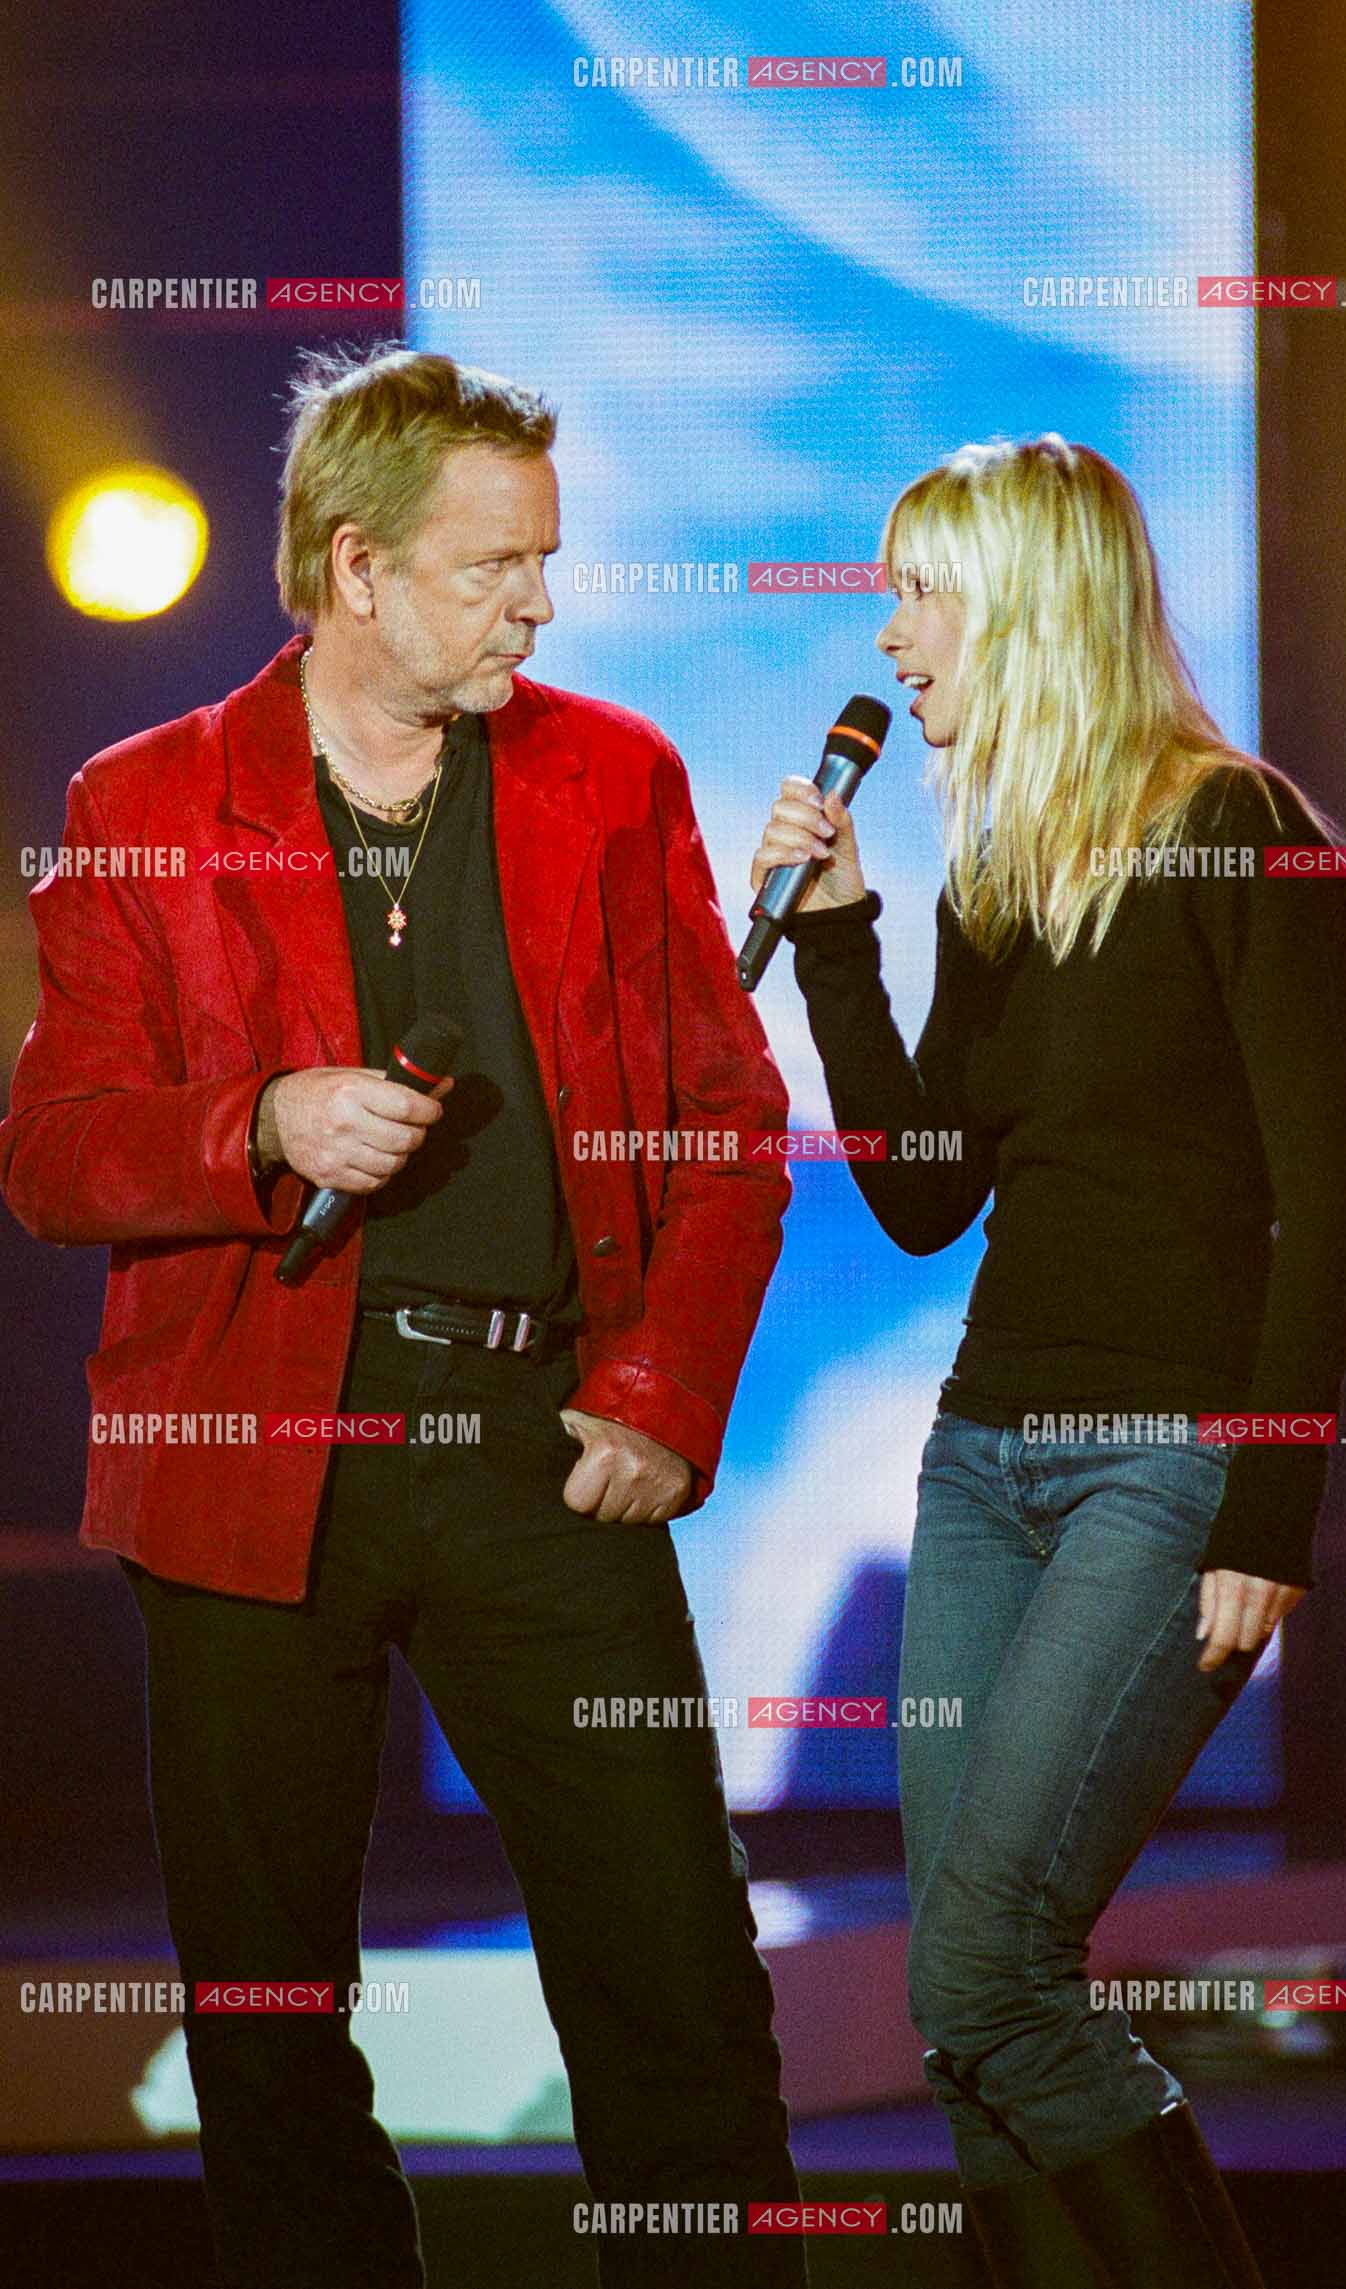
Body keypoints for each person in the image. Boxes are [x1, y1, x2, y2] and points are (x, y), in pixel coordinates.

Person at [0, 346, 806, 2289]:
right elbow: (52, 1153)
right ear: (354, 568)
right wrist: (256, 1122)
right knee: (270, 2029)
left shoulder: (614, 775)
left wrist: (662, 1391)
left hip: (546, 1454)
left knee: (681, 1996)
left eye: (547, 560)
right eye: (494, 565)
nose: (539, 600)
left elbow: (725, 1119)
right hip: (244, 1474)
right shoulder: (147, 797)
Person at [751, 435, 1346, 2286]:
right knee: (969, 2009)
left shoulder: (1236, 829)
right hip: (983, 1462)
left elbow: (1328, 1210)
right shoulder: (1003, 871)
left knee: (985, 1966)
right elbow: (931, 1196)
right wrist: (848, 940)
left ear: (1024, 599)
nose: (893, 636)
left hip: (1164, 1464)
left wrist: (1266, 1507)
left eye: (921, 591)